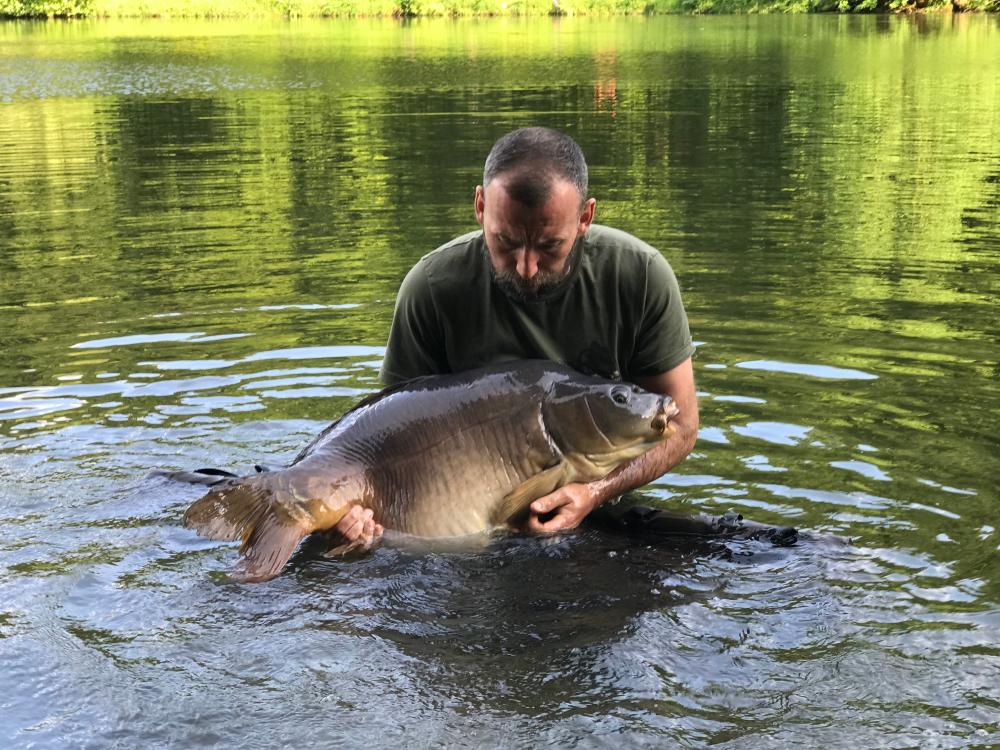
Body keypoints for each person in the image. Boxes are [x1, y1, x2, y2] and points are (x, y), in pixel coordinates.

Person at [333, 126, 698, 548]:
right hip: (460, 522)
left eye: (549, 246)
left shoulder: (640, 277)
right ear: (479, 206)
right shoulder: (431, 288)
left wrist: (594, 494)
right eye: (505, 241)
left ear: (585, 218)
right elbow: (387, 444)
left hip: (602, 509)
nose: (525, 266)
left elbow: (682, 425)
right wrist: (353, 513)